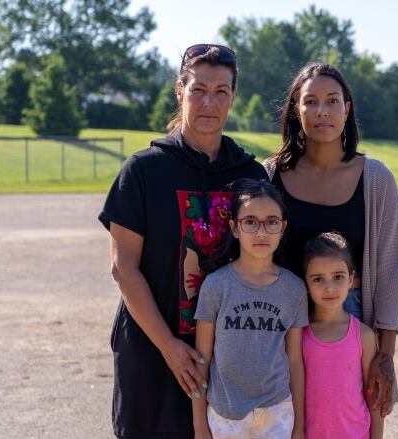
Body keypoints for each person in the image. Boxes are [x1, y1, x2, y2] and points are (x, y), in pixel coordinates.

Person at [99, 44, 267, 438]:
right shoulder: (144, 170)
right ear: (180, 91)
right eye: (198, 89)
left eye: (221, 91)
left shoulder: (252, 175)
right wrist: (169, 347)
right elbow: (124, 268)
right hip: (151, 349)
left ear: (233, 96)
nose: (210, 101)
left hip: (227, 356)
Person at [263, 62, 398, 417]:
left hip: (349, 317)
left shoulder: (376, 180)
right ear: (297, 109)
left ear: (347, 108)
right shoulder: (268, 175)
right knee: (286, 421)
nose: (322, 110)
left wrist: (385, 356)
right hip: (282, 319)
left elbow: (389, 272)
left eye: (332, 100)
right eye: (310, 101)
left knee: (344, 419)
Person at [192, 179, 307, 439]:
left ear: (283, 227)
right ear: (234, 227)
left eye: (272, 222)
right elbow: (202, 360)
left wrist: (299, 426)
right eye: (250, 221)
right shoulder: (216, 285)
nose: (261, 232)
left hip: (277, 412)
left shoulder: (294, 289)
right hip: (225, 415)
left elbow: (296, 362)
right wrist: (200, 427)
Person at [301, 232, 384, 439]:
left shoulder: (363, 335)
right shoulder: (299, 334)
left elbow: (373, 397)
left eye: (338, 277)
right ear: (306, 283)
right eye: (318, 279)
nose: (329, 287)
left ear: (351, 279)